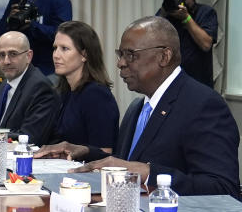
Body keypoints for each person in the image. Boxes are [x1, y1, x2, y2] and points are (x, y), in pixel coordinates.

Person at [36, 17, 239, 196]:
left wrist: (149, 173)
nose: (120, 63)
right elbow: (124, 163)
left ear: (164, 56)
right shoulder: (137, 107)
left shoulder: (203, 105)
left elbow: (223, 188)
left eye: (130, 55)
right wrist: (84, 151)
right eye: (120, 54)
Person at [0, 31, 60, 145]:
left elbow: (30, 139)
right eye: (1, 55)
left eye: (13, 54)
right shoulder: (5, 84)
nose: (6, 61)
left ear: (28, 56)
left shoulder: (40, 88)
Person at [49, 21, 119, 150]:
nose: (56, 55)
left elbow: (104, 152)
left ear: (84, 55)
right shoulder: (66, 92)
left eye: (64, 48)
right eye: (55, 48)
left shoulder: (97, 95)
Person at [156, 0, 217, 87]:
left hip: (199, 83)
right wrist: (164, 12)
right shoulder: (167, 14)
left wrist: (186, 18)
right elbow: (152, 39)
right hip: (171, 83)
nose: (178, 1)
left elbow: (206, 44)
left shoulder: (206, 12)